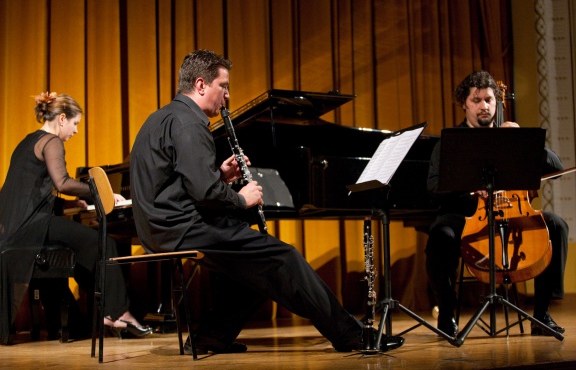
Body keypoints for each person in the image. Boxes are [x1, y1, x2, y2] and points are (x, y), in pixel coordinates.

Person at [130, 49, 404, 354]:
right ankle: (351, 335)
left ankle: (211, 337)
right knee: (284, 258)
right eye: (224, 86)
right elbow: (204, 195)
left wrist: (220, 176)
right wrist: (240, 199)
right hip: (181, 229)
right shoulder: (191, 125)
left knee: (258, 272)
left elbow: (176, 184)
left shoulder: (161, 118)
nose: (228, 96)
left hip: (158, 228)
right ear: (201, 85)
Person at [0, 92, 152, 345]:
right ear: (61, 119)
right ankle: (119, 314)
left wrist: (72, 202)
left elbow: (30, 190)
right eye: (75, 123)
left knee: (85, 248)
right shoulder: (51, 141)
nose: (76, 130)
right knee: (105, 243)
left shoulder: (28, 140)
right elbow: (62, 182)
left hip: (15, 225)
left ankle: (91, 319)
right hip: (33, 224)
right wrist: (100, 191)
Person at [425, 70, 568, 337]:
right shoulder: (449, 142)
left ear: (497, 102)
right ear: (464, 104)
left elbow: (557, 169)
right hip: (464, 215)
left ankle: (541, 315)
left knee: (556, 226)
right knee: (440, 236)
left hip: (511, 213)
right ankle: (446, 314)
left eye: (489, 99)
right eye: (476, 100)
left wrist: (524, 140)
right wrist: (468, 187)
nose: (484, 106)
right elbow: (433, 186)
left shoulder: (510, 137)